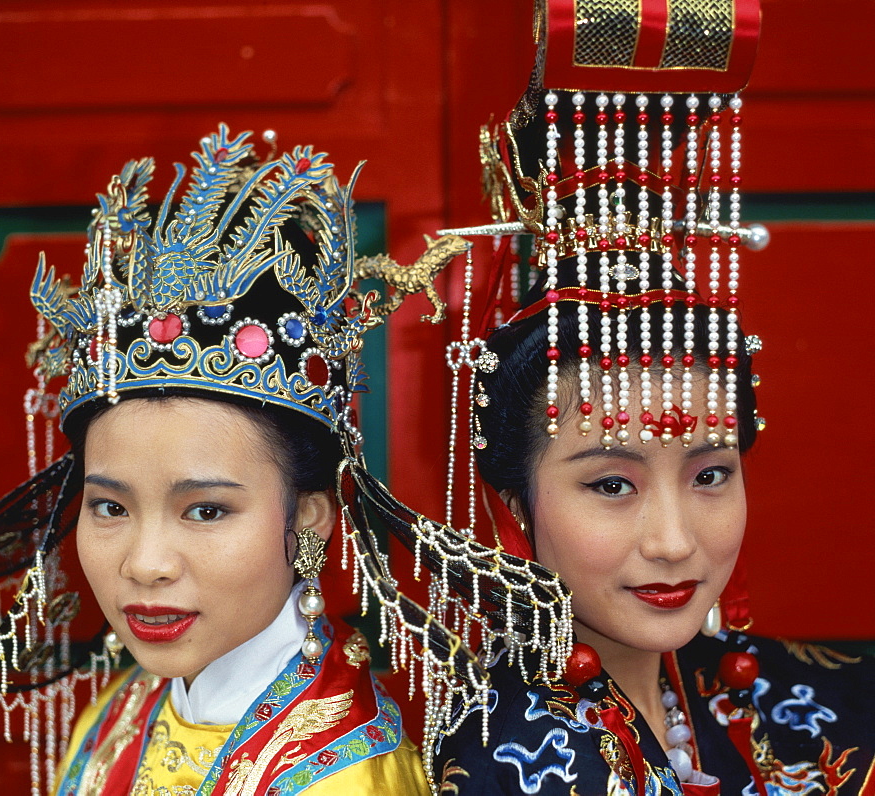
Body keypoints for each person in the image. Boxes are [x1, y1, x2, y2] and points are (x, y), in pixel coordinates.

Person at [340, 2, 875, 793]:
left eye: (710, 474)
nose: (672, 540)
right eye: (611, 483)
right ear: (518, 502)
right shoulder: (501, 764)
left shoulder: (816, 700)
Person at [0, 127, 440, 795]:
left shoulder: (345, 776)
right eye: (110, 506)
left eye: (206, 509)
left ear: (308, 518)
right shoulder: (122, 712)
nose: (144, 564)